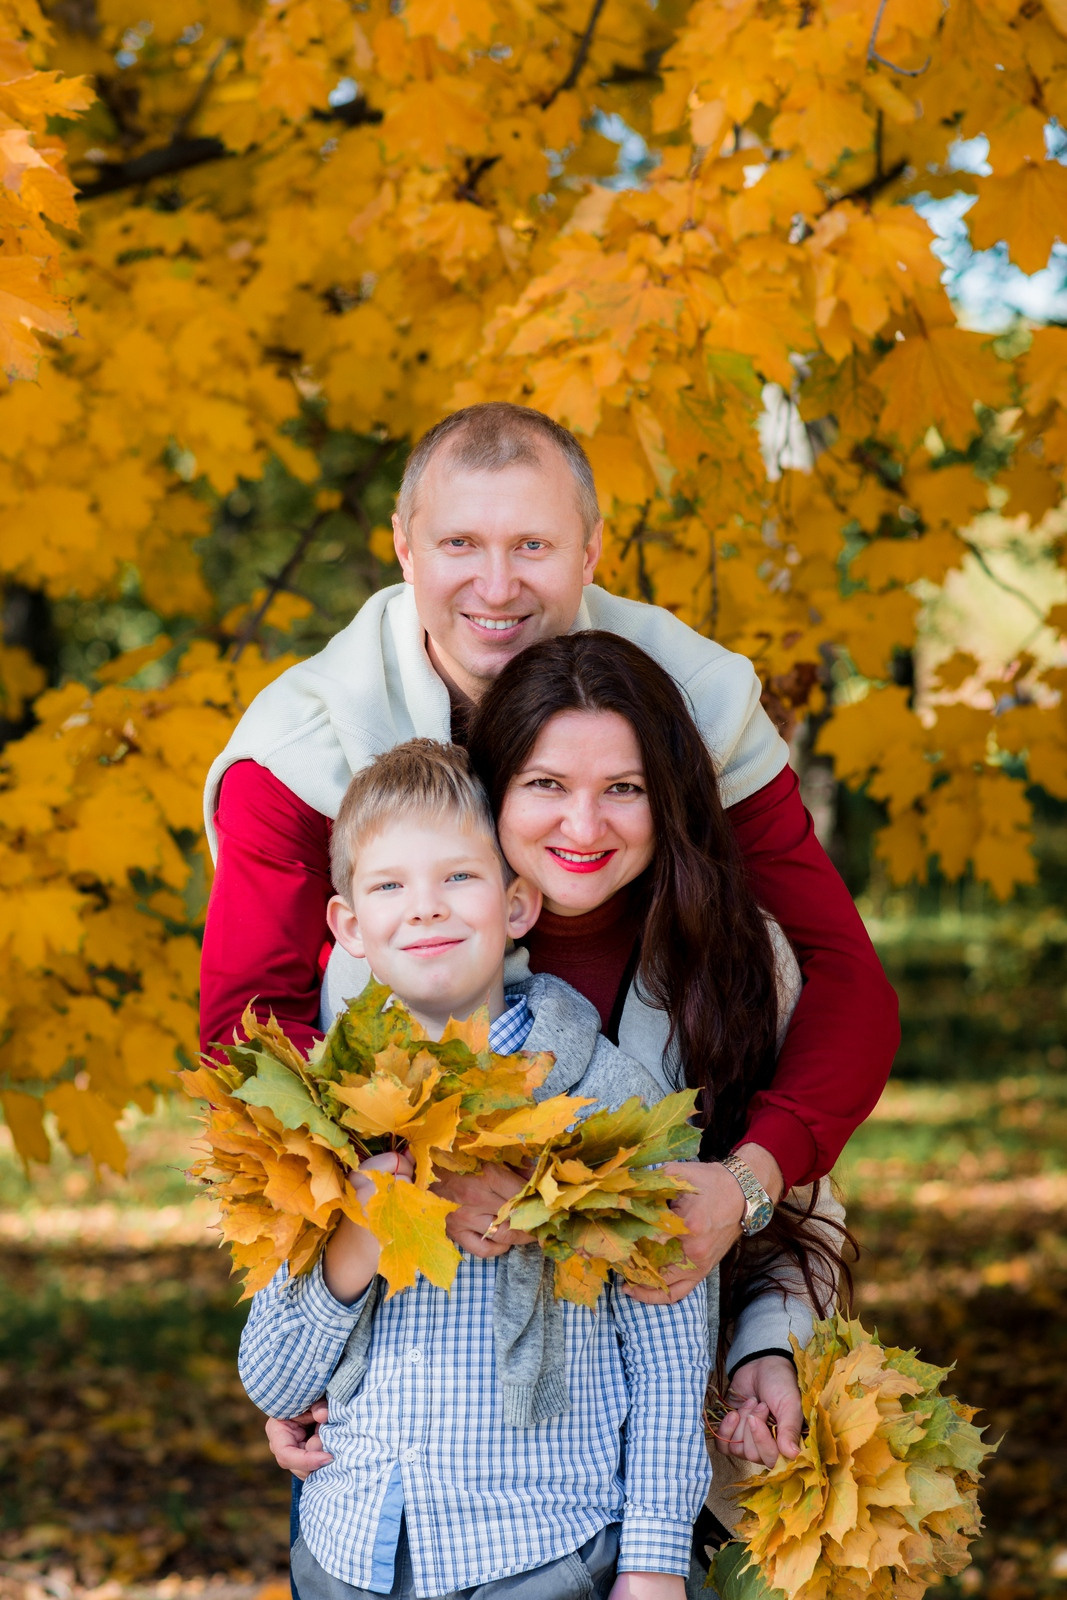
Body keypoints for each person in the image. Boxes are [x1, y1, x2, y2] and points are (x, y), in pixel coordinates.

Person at [200, 401, 894, 1467]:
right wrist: (336, 1279)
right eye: (459, 544)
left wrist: (746, 1183)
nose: (496, 586)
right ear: (402, 547)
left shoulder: (695, 709)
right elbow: (251, 1043)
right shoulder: (302, 750)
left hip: (657, 1316)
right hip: (416, 1359)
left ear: (590, 550)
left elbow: (842, 974)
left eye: (531, 544)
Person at [239, 738, 722, 1600]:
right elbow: (274, 1380)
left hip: (545, 1550)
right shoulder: (319, 1115)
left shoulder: (604, 1098)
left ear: (517, 904)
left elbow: (668, 1360)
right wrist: (357, 1235)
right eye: (389, 887)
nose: (425, 907)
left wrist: (652, 1561)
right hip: (352, 1552)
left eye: (458, 878)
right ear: (348, 927)